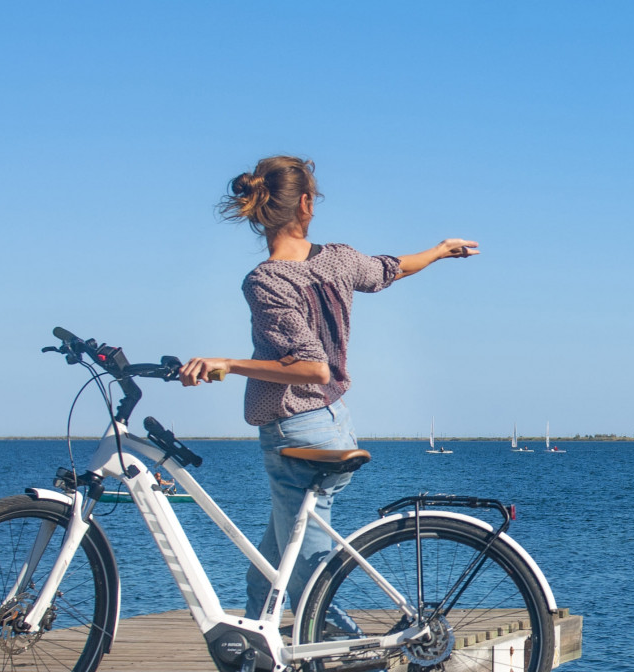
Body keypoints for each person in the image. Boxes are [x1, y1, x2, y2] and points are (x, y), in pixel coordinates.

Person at [178, 155, 479, 617]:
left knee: (308, 579)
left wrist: (230, 364)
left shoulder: (267, 280)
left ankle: (352, 657)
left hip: (296, 434)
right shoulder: (338, 259)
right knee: (266, 572)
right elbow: (390, 268)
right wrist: (439, 250)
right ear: (305, 205)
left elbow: (312, 368)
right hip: (335, 425)